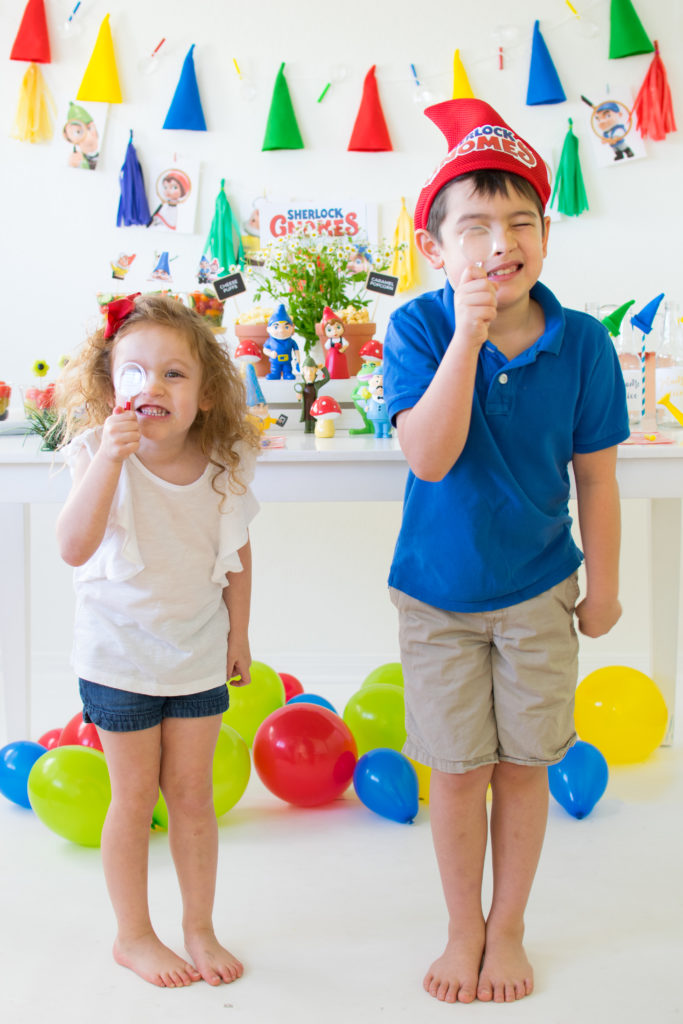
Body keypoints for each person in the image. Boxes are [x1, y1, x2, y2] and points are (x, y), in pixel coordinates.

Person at [383, 99, 629, 1005]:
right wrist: (467, 334)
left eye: (519, 221)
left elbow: (596, 481)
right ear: (433, 250)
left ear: (545, 235)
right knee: (456, 774)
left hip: (536, 591)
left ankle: (509, 927)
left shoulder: (586, 343)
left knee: (524, 767)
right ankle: (461, 930)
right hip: (437, 594)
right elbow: (430, 455)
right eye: (473, 225)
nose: (498, 241)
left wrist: (603, 589)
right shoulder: (415, 331)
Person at [54, 294, 260, 989]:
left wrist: (240, 634)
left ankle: (198, 926)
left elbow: (236, 554)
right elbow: (73, 547)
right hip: (118, 657)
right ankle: (133, 935)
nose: (154, 387)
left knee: (192, 794)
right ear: (113, 387)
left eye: (175, 374)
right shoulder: (94, 453)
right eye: (135, 372)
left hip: (196, 652)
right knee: (134, 796)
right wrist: (111, 462)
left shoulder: (221, 464)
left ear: (204, 396)